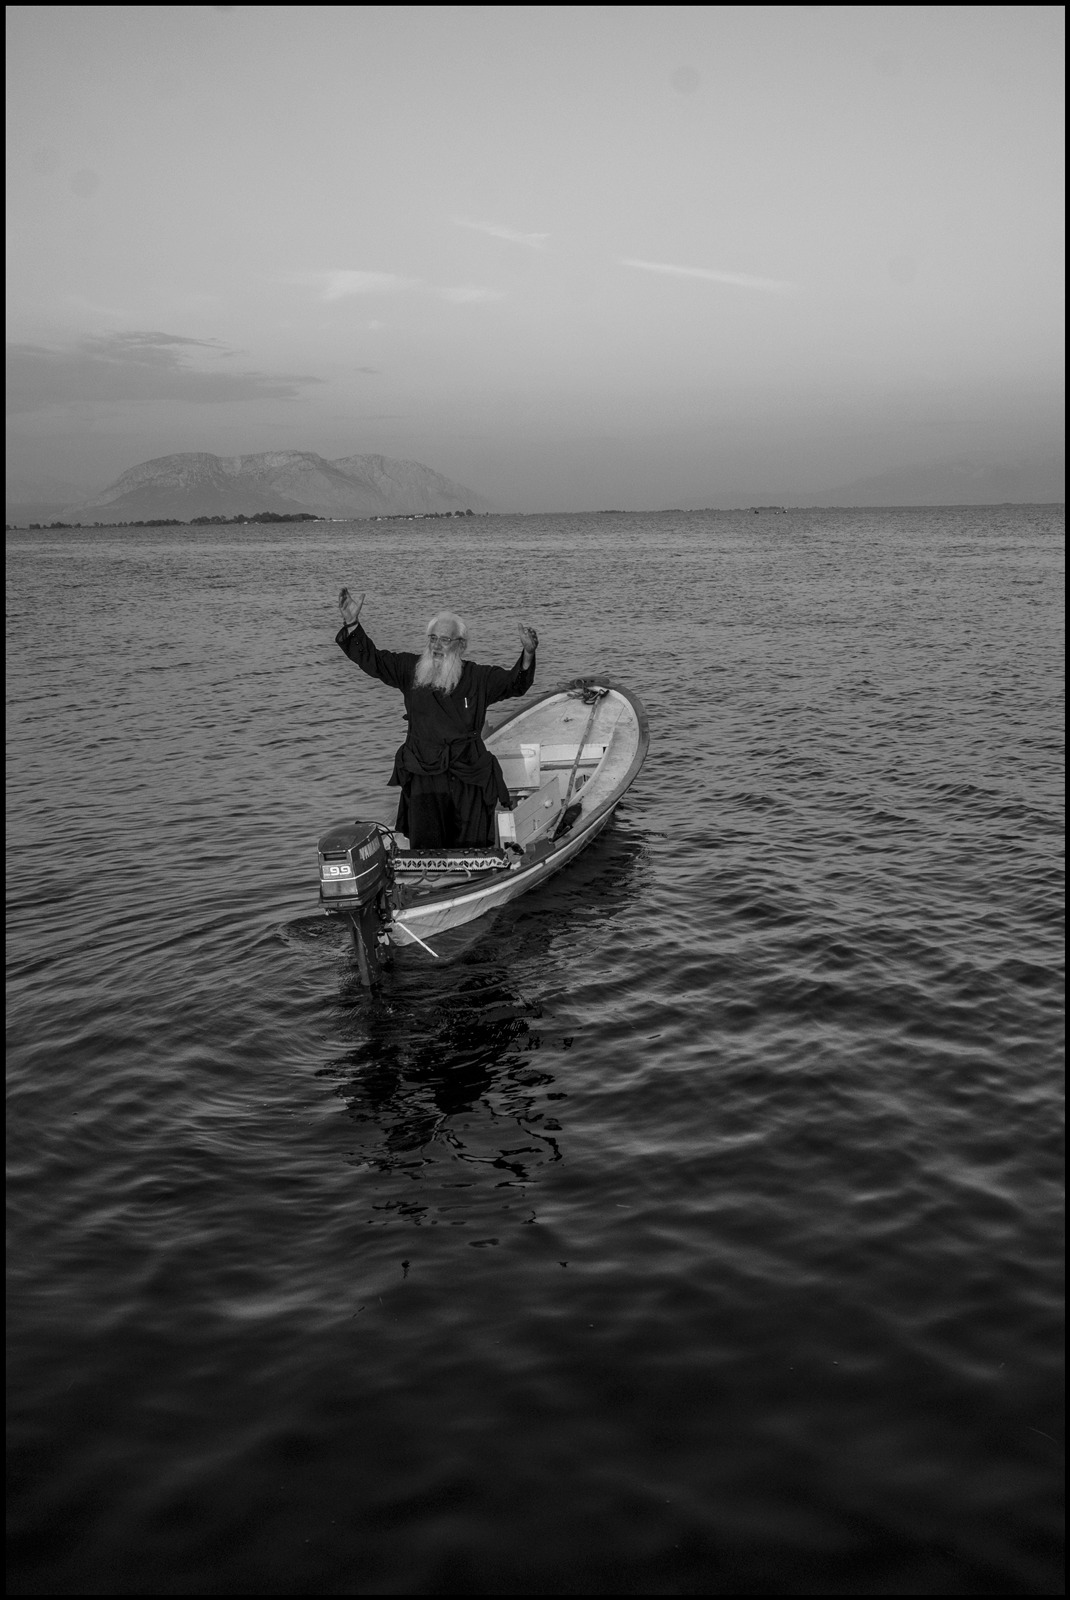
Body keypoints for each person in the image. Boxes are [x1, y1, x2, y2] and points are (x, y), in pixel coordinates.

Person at [335, 587, 538, 849]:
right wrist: (352, 624)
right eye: (432, 638)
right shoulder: (410, 669)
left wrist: (528, 654)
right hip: (424, 774)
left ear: (461, 645)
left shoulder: (478, 677)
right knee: (426, 848)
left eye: (444, 640)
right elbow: (373, 660)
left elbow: (515, 684)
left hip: (468, 774)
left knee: (472, 847)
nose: (436, 646)